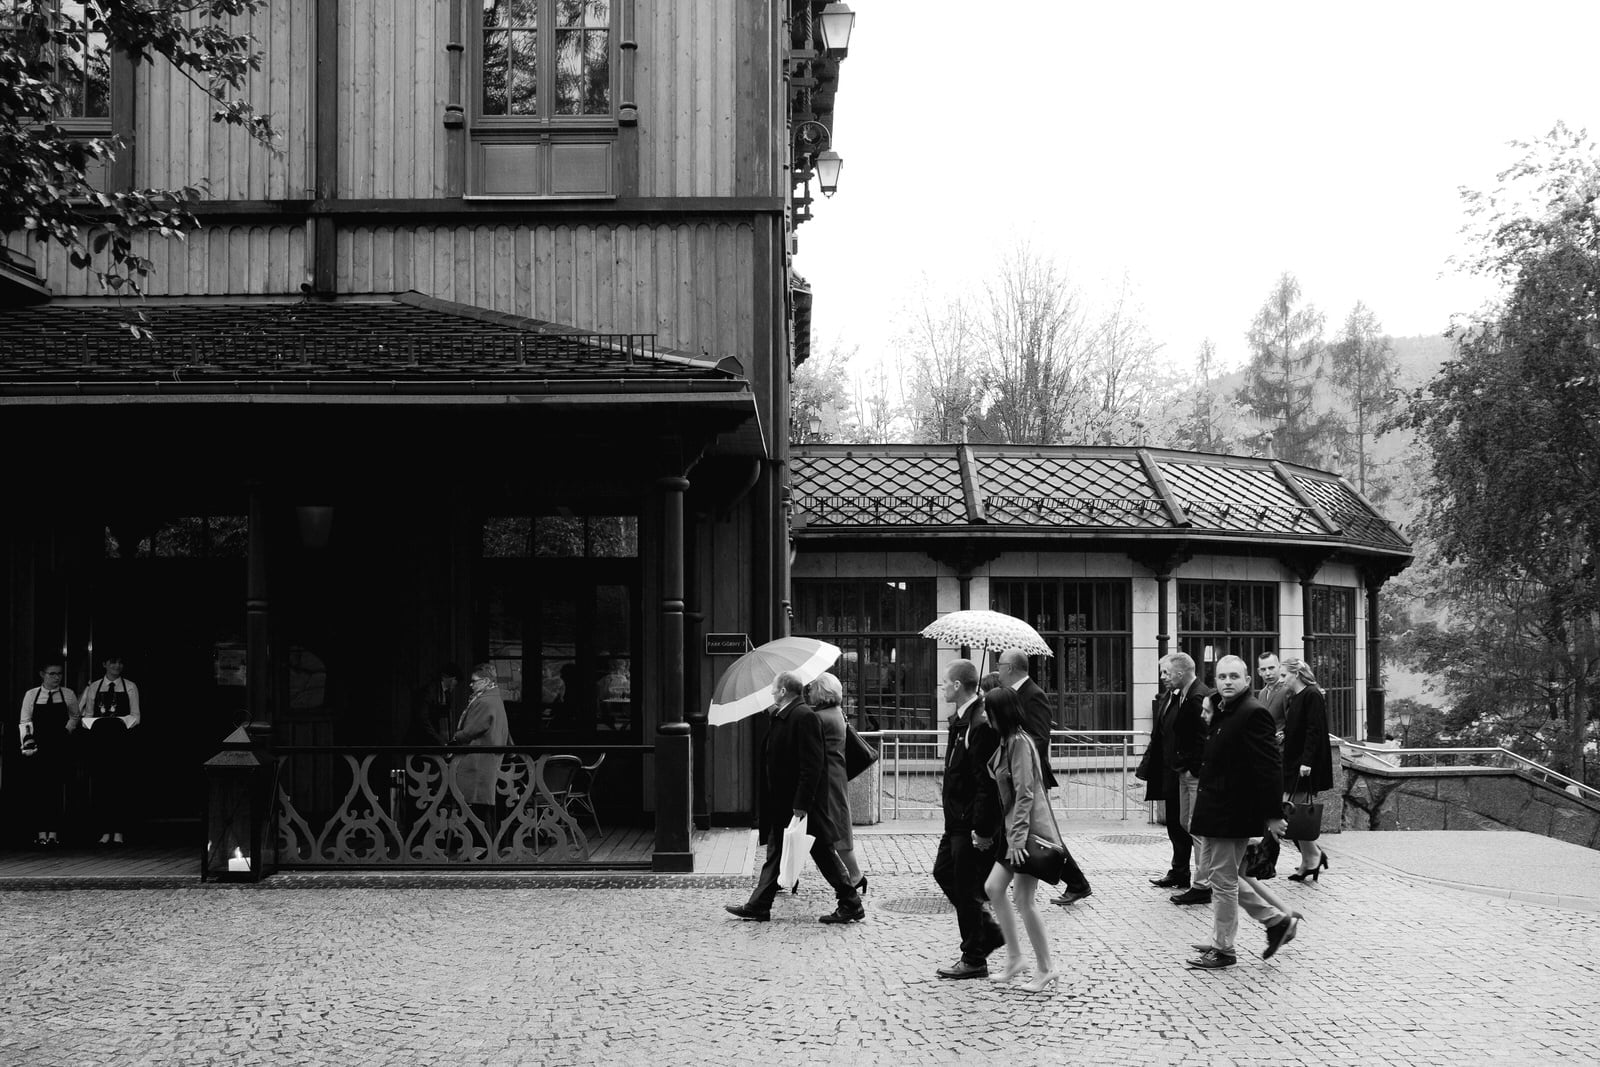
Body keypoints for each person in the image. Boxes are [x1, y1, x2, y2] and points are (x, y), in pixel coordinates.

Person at [1185, 655, 1301, 970]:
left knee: (1222, 882)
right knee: (1220, 876)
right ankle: (1275, 921)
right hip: (1215, 810)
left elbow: (1268, 767)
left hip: (1230, 813)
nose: (1227, 682)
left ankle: (1224, 949)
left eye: (1234, 676)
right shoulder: (1224, 711)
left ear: (1247, 679)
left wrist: (1273, 814)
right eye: (1221, 677)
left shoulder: (1253, 714)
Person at [725, 671, 865, 924]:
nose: (770, 693)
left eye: (773, 689)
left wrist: (801, 804)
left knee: (822, 853)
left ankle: (850, 901)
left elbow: (812, 766)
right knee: (777, 853)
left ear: (783, 691)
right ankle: (759, 905)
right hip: (785, 803)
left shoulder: (804, 717)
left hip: (800, 805)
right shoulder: (786, 716)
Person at [995, 648, 1092, 907]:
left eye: (1000, 664)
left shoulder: (1033, 694)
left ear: (1010, 668)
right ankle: (1076, 883)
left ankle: (1077, 882)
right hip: (1016, 775)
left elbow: (1039, 737)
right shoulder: (1012, 694)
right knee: (1039, 835)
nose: (997, 669)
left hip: (1030, 776)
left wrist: (1017, 761)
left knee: (1044, 837)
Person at [982, 686, 1060, 993]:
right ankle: (1016, 958)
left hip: (1026, 833)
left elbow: (1026, 793)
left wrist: (1016, 840)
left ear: (999, 714)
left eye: (989, 711)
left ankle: (1046, 967)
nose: (985, 716)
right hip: (1016, 830)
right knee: (994, 888)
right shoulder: (1007, 741)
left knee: (1023, 900)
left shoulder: (1019, 743)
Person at [931, 658, 1004, 979]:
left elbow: (986, 784)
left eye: (945, 682)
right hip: (956, 819)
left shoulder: (980, 723)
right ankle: (987, 932)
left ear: (958, 685)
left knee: (964, 885)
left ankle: (974, 957)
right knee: (944, 872)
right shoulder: (962, 720)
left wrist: (982, 829)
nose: (942, 687)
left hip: (969, 823)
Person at [1136, 652, 1212, 899]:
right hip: (1174, 771)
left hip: (1189, 772)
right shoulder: (1174, 695)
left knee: (1195, 827)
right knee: (1180, 823)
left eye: (1166, 672)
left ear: (1180, 673)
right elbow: (1161, 733)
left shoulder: (1198, 696)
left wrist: (1191, 768)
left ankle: (1203, 884)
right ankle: (1181, 872)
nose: (1162, 678)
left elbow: (1202, 738)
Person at [806, 671, 866, 893]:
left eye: (812, 687)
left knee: (836, 830)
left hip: (829, 780)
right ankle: (854, 875)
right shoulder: (835, 713)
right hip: (835, 776)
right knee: (837, 828)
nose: (809, 691)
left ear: (821, 692)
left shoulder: (821, 718)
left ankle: (855, 874)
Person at [79, 655, 142, 846]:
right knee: (101, 786)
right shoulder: (94, 687)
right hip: (100, 742)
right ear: (104, 664)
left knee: (120, 786)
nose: (117, 666)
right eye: (113, 662)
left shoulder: (130, 686)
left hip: (121, 741)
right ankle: (104, 830)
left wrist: (119, 723)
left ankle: (119, 831)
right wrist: (96, 725)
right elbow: (87, 714)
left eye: (120, 662)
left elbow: (136, 715)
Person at [1280, 657, 1334, 881]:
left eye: (1284, 675)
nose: (1281, 679)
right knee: (1294, 811)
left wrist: (1307, 762)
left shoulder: (1311, 694)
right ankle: (1310, 858)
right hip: (1294, 760)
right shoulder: (1298, 696)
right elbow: (1300, 727)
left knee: (1294, 812)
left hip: (1302, 764)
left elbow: (1314, 730)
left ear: (1296, 674)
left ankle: (1313, 857)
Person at [18, 661, 80, 847]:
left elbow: (75, 716)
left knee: (56, 789)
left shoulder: (68, 694)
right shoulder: (32, 694)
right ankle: (40, 833)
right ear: (42, 674)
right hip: (38, 746)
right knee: (39, 790)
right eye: (52, 674)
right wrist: (27, 742)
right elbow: (25, 720)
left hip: (60, 747)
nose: (56, 677)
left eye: (59, 674)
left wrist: (66, 730)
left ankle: (54, 833)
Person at [450, 662, 512, 840]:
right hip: (487, 763)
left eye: (474, 681)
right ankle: (485, 848)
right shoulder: (495, 699)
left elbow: (472, 730)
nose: (471, 684)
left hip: (478, 763)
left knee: (477, 809)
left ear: (485, 681)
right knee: (483, 809)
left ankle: (478, 849)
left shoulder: (484, 702)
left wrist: (455, 738)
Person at [408, 664, 459, 747]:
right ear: (450, 678)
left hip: (435, 740)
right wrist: (439, 739)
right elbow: (422, 719)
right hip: (422, 740)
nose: (455, 683)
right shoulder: (429, 692)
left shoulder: (446, 695)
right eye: (455, 679)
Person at [1256, 651, 1289, 739]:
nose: (1267, 673)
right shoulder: (1262, 693)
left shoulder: (1287, 690)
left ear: (1279, 667)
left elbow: (1293, 722)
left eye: (1271, 668)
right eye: (1263, 669)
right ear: (1259, 672)